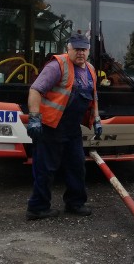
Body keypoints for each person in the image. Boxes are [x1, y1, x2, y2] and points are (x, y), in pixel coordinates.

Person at [25, 33, 102, 220]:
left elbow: (94, 95)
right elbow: (35, 89)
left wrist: (97, 118)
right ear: (68, 49)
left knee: (77, 166)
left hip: (72, 128)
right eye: (76, 49)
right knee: (46, 169)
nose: (80, 52)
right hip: (51, 126)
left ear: (88, 50)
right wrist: (34, 117)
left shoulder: (90, 69)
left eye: (83, 49)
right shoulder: (57, 66)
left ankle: (75, 203)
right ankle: (37, 208)